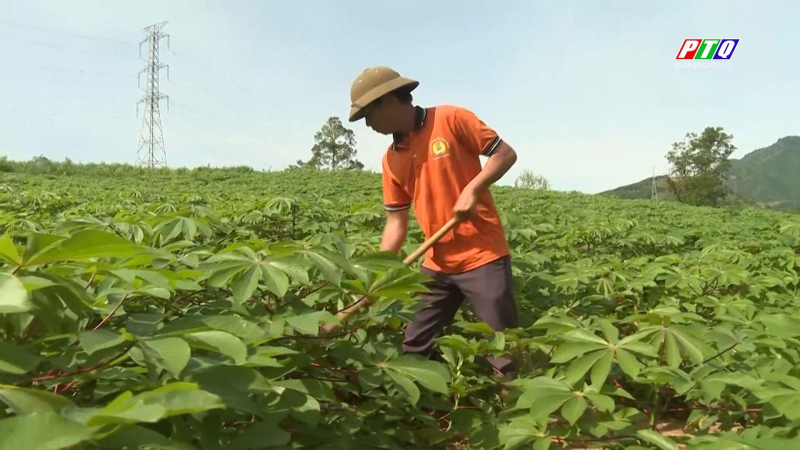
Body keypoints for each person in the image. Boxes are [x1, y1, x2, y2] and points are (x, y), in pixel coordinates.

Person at [348, 66, 519, 378]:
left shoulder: (451, 119)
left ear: (387, 101)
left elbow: (505, 154)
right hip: (436, 262)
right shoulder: (390, 159)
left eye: (368, 116)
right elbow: (395, 223)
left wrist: (472, 189)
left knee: (500, 350)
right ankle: (415, 413)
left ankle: (510, 410)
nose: (368, 125)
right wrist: (383, 272)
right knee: (413, 345)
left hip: (482, 256)